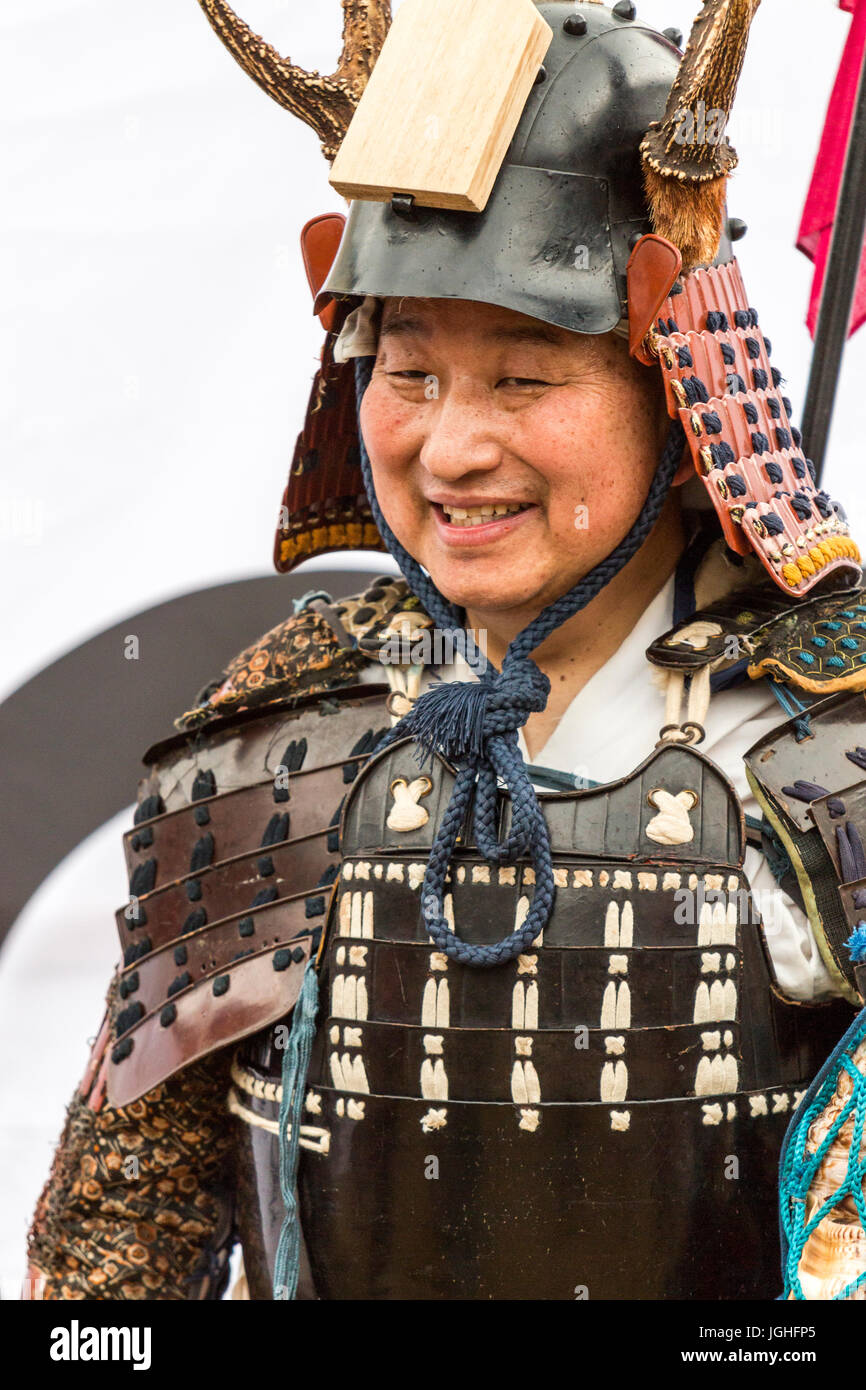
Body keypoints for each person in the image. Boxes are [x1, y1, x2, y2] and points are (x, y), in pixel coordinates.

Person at [27, 0, 866, 1301]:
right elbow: (106, 1274)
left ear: (672, 374)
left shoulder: (839, 727)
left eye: (522, 378)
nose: (451, 446)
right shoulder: (284, 718)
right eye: (407, 372)